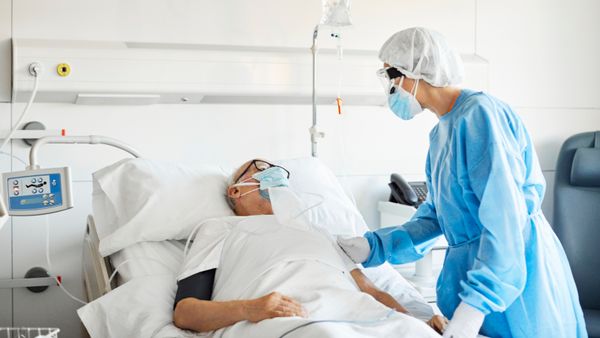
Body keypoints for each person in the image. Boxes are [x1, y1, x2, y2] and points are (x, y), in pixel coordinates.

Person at [337, 27, 587, 338]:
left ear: (415, 73)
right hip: (482, 286)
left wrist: (476, 306)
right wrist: (374, 246)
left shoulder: (481, 116)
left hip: (518, 285)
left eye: (392, 75)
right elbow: (437, 215)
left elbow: (505, 222)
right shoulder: (441, 134)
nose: (391, 88)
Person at [173, 158, 447, 334]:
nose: (276, 174)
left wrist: (415, 321)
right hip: (296, 319)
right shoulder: (220, 228)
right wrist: (252, 308)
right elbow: (185, 312)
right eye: (262, 170)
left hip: (366, 315)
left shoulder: (319, 231)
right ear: (236, 191)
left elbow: (371, 290)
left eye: (280, 173)